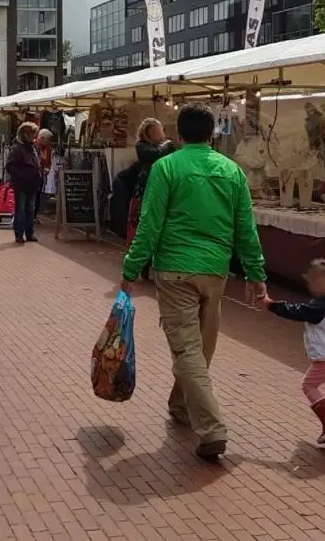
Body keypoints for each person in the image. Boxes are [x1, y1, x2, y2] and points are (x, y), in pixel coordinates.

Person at [119, 103, 267, 462]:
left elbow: (150, 223)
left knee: (190, 351)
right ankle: (181, 404)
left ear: (179, 135)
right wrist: (255, 273)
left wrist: (130, 269)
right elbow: (245, 228)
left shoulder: (167, 167)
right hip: (214, 272)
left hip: (174, 270)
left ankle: (212, 428)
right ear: (212, 133)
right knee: (201, 349)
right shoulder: (231, 171)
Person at [260, 259, 325, 449]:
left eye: (314, 280)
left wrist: (271, 305)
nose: (310, 284)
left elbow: (297, 311)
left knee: (309, 386)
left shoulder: (322, 306)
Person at [127, 118, 175, 247]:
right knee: (142, 223)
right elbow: (156, 154)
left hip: (162, 187)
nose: (159, 133)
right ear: (147, 133)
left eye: (159, 130)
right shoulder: (141, 145)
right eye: (155, 131)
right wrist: (166, 144)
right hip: (145, 189)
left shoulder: (166, 146)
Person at [5, 122, 43, 244]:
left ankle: (30, 233)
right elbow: (10, 165)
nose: (34, 136)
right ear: (26, 134)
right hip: (22, 184)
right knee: (21, 209)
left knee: (30, 209)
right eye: (32, 134)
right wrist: (20, 177)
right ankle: (19, 234)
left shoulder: (33, 147)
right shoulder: (17, 148)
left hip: (32, 183)